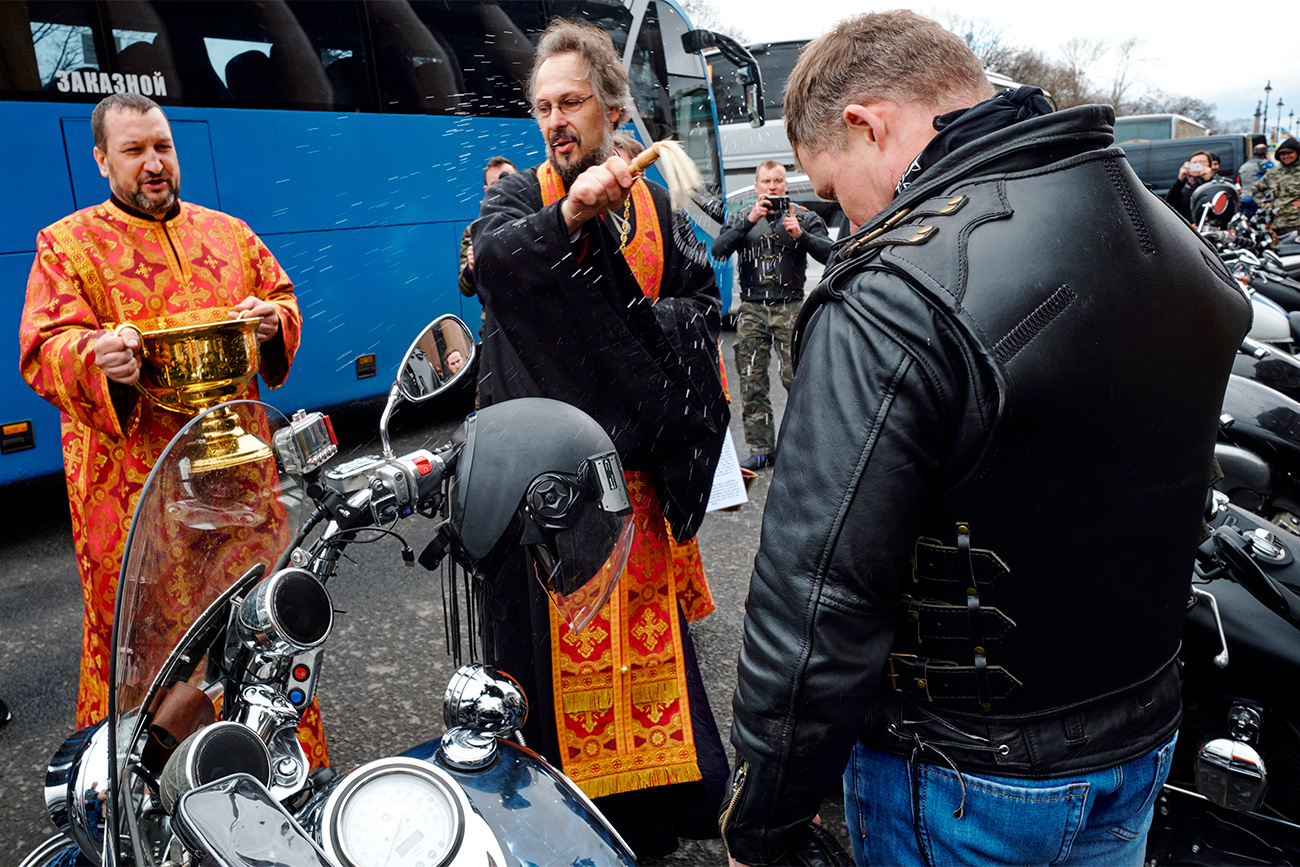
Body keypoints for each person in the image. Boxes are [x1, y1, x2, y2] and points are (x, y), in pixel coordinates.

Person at [721, 11, 1252, 866]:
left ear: (866, 122)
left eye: (830, 186)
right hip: (1141, 741)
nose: (837, 214)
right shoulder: (1168, 231)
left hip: (962, 781)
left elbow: (818, 601)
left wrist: (761, 820)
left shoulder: (893, 294)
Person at [469, 18, 730, 858]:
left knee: (647, 683)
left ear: (612, 107)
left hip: (637, 495)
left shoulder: (656, 199)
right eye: (543, 106)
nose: (555, 120)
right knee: (546, 687)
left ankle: (648, 831)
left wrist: (638, 336)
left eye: (572, 101)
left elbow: (698, 306)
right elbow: (494, 263)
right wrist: (571, 217)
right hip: (551, 509)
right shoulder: (519, 195)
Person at [17, 94, 320, 762]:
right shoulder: (68, 246)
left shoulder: (230, 233)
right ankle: (144, 792)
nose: (154, 164)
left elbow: (283, 298)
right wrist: (97, 356)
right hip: (139, 503)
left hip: (240, 499)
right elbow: (42, 349)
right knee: (150, 656)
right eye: (134, 151)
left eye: (162, 147)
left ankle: (276, 767)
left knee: (257, 638)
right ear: (101, 159)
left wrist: (272, 322)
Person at [711, 160, 832, 470]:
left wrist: (802, 235)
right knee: (752, 380)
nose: (772, 186)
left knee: (797, 380)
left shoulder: (803, 217)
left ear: (786, 184)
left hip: (790, 305)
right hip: (752, 308)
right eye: (766, 181)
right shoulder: (742, 217)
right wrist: (747, 222)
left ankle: (803, 447)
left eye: (778, 180)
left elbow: (832, 255)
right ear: (756, 186)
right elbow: (718, 250)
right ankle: (762, 448)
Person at [458, 156, 517, 302]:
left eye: (509, 180)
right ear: (487, 190)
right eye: (496, 185)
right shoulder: (474, 231)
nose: (504, 189)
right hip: (495, 321)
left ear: (521, 180)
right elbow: (465, 288)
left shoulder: (538, 218)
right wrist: (471, 268)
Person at [1254, 137, 1300, 234]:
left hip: (1296, 224)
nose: (1286, 156)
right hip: (1275, 224)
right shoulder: (1274, 172)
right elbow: (1256, 189)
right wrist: (1264, 204)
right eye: (1283, 154)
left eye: (1289, 153)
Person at [1166, 149, 1214, 221]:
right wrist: (1180, 179)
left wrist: (1208, 180)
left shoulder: (1215, 182)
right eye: (1194, 163)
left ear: (1209, 166)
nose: (1198, 165)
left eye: (1202, 162)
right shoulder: (1183, 185)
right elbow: (1168, 203)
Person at [1239, 142, 1270, 217]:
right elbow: (1275, 177)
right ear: (1265, 153)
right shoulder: (1264, 163)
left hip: (1244, 198)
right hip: (1258, 199)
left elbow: (1240, 182)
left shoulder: (1244, 165)